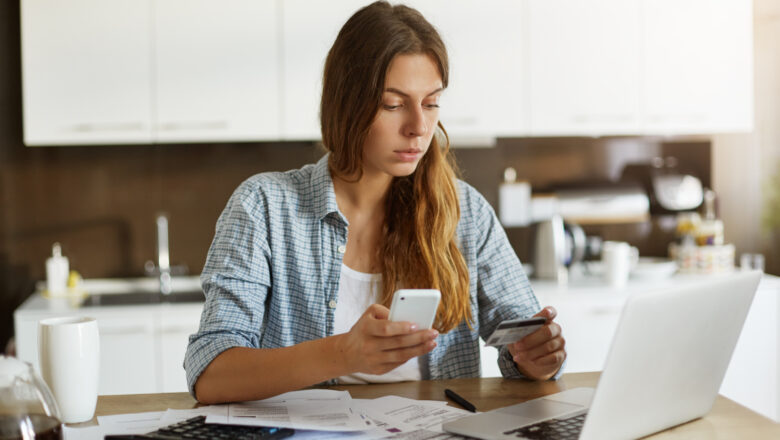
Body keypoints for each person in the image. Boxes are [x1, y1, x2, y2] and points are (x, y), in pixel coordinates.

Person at [184, 1, 565, 405]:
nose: (419, 127)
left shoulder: (464, 212)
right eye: (393, 104)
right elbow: (211, 374)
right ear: (347, 104)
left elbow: (526, 345)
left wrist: (537, 359)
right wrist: (343, 354)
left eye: (431, 102)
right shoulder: (263, 207)